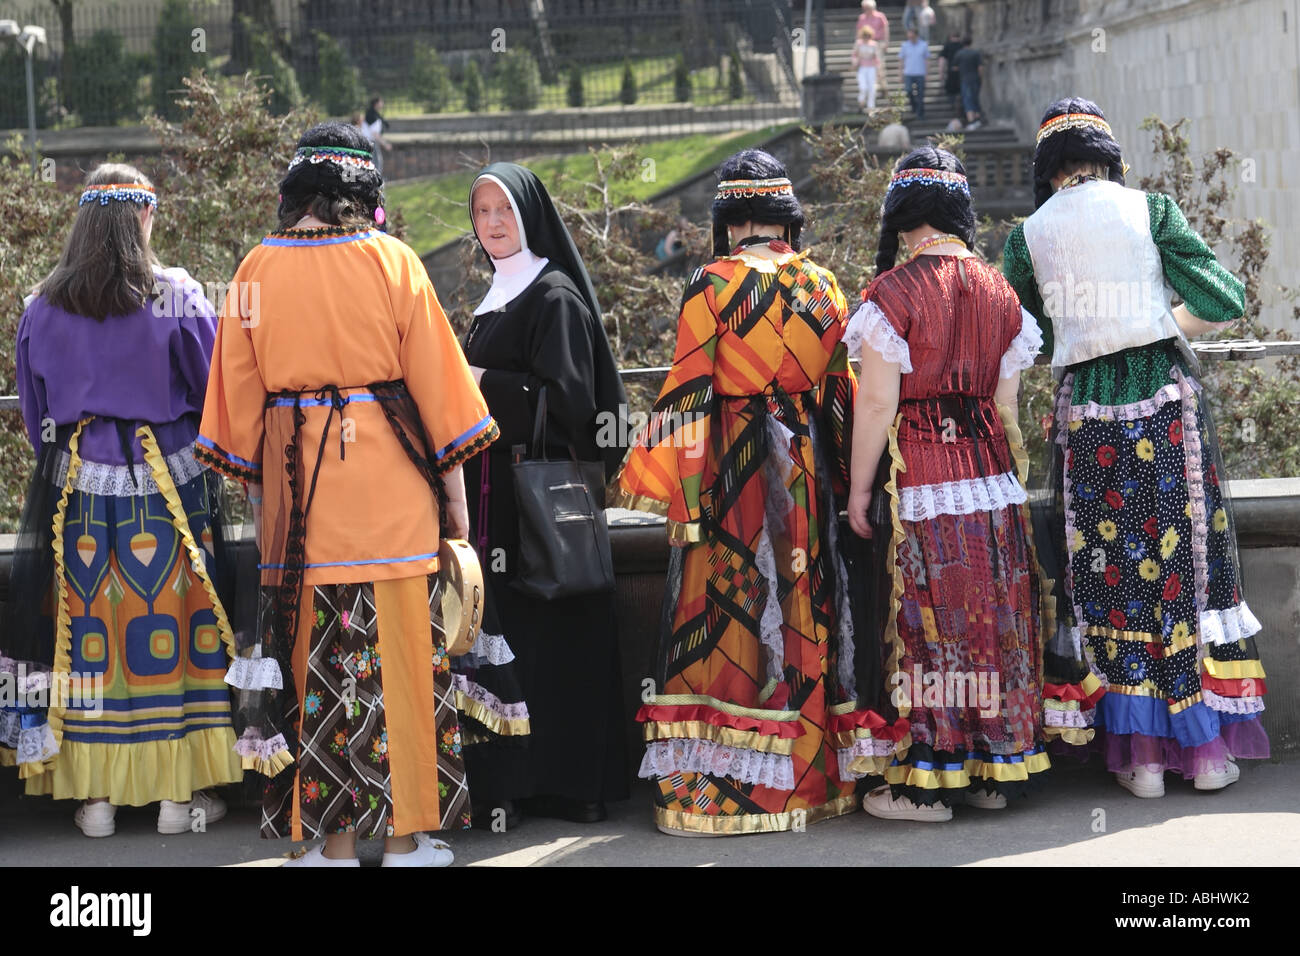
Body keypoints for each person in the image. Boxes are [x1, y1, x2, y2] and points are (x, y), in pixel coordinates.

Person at [197, 122, 500, 866]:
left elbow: (233, 417)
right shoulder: (393, 262)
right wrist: (456, 505)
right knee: (401, 665)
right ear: (363, 194)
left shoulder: (253, 271)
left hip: (301, 511)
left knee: (314, 669)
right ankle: (403, 842)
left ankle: (327, 846)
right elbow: (440, 399)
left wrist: (268, 502)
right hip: (393, 497)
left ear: (295, 191)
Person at [1001, 97, 1269, 798]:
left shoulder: (1025, 237)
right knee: (1181, 566)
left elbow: (1033, 339)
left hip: (1087, 415)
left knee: (1111, 576)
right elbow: (1223, 297)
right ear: (1109, 158)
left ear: (1048, 167)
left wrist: (1087, 330)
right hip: (1165, 403)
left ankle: (1140, 759)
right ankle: (1205, 753)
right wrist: (1152, 318)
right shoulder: (1150, 211)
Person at [615, 149, 878, 836]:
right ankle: (815, 779)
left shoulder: (712, 284)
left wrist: (680, 498)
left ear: (731, 222)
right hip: (805, 470)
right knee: (805, 607)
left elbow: (688, 392)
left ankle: (728, 791)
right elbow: (840, 395)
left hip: (734, 471)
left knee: (726, 613)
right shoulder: (824, 286)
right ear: (785, 220)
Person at [1, 164, 241, 837]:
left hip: (78, 494)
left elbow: (37, 414)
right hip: (168, 492)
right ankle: (175, 799)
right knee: (175, 630)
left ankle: (98, 800)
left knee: (89, 642)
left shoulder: (42, 306)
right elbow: (212, 391)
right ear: (142, 219)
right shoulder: (176, 296)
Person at [844, 147, 1051, 820]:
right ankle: (997, 768)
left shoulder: (892, 296)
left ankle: (931, 777)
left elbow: (876, 405)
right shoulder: (1001, 292)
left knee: (934, 624)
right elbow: (1007, 407)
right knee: (993, 616)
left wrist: (856, 490)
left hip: (926, 475)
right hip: (992, 475)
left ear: (904, 220)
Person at [460, 162, 629, 827]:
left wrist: (478, 376)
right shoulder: (499, 292)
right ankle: (523, 783)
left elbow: (572, 406)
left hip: (540, 500)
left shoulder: (553, 294)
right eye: (481, 212)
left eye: (503, 210)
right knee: (521, 641)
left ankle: (569, 784)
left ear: (529, 215)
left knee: (554, 637)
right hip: (499, 501)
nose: (492, 224)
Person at [899, 28, 930, 120]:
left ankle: (920, 114)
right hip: (908, 73)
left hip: (920, 73)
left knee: (920, 94)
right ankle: (914, 106)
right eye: (909, 36)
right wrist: (900, 74)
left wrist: (927, 74)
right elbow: (901, 60)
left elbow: (927, 60)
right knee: (908, 91)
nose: (910, 38)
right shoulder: (905, 45)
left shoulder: (923, 45)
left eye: (912, 36)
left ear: (916, 35)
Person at [953, 40, 984, 129]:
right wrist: (981, 77)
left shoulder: (959, 54)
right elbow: (980, 67)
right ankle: (977, 119)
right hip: (975, 79)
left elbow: (955, 67)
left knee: (967, 100)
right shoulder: (976, 53)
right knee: (975, 98)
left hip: (965, 79)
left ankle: (971, 121)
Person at [360, 96, 392, 176]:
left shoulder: (372, 114)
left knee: (374, 162)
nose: (382, 104)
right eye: (381, 102)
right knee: (376, 162)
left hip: (368, 142)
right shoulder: (373, 116)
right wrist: (385, 144)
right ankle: (375, 181)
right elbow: (375, 134)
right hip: (370, 142)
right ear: (376, 104)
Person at [852, 26, 881, 112]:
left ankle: (871, 107)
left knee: (871, 87)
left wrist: (879, 70)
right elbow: (854, 54)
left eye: (868, 35)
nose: (866, 38)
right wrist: (855, 62)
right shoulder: (858, 43)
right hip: (862, 67)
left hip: (871, 67)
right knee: (863, 87)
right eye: (865, 35)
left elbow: (877, 58)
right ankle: (861, 101)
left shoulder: (874, 44)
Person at [938, 31, 964, 118]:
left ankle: (953, 105)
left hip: (951, 71)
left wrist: (941, 73)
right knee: (961, 91)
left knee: (951, 91)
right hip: (962, 73)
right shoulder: (962, 45)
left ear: (950, 37)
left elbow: (942, 60)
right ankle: (960, 107)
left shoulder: (947, 45)